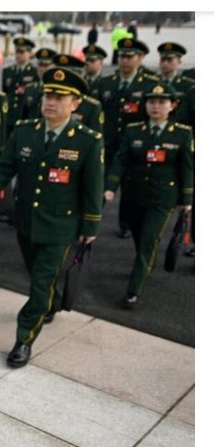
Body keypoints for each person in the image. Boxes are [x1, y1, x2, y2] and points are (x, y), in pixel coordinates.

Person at [0, 67, 104, 368]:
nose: (50, 102)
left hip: (61, 226)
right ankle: (52, 303)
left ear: (75, 103)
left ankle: (24, 339)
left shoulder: (87, 140)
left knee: (40, 284)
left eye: (59, 97)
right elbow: (4, 169)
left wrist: (90, 225)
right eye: (47, 95)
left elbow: (93, 186)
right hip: (26, 221)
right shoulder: (25, 130)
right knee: (37, 274)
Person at [104, 84, 193, 309]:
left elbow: (187, 168)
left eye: (162, 102)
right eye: (152, 102)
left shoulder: (182, 133)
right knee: (138, 236)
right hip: (134, 195)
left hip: (162, 198)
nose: (156, 106)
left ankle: (133, 291)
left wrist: (187, 200)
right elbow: (120, 159)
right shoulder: (133, 130)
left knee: (148, 241)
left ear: (173, 106)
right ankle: (145, 264)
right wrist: (111, 186)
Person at [98, 38, 159, 239]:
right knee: (100, 183)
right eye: (122, 56)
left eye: (129, 56)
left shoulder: (150, 84)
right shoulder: (106, 83)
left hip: (134, 145)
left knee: (130, 187)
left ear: (140, 58)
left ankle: (125, 223)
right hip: (108, 143)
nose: (124, 60)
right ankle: (91, 220)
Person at [52, 54, 103, 133]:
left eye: (67, 77)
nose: (62, 80)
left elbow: (94, 140)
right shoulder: (46, 101)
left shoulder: (91, 107)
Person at [2, 37, 38, 136]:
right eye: (17, 52)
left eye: (22, 52)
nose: (18, 55)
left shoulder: (34, 72)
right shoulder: (8, 71)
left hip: (24, 115)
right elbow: (5, 93)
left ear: (29, 53)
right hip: (10, 115)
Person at [14, 47, 58, 121]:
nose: (42, 69)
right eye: (40, 65)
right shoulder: (30, 89)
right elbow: (23, 117)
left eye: (46, 65)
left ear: (54, 67)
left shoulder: (59, 91)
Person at [157, 42, 195, 127]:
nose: (165, 63)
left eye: (170, 60)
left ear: (179, 62)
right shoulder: (152, 82)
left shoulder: (189, 85)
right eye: (162, 60)